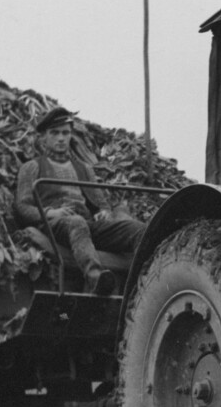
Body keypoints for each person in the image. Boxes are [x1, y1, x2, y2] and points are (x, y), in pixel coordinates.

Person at [15, 106, 144, 295]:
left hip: (86, 223)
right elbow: (22, 206)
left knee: (136, 230)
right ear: (43, 138)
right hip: (55, 223)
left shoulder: (84, 169)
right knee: (77, 223)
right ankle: (96, 278)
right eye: (55, 133)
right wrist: (50, 213)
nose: (61, 138)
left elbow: (101, 202)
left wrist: (104, 212)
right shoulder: (32, 167)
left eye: (65, 133)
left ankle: (143, 282)